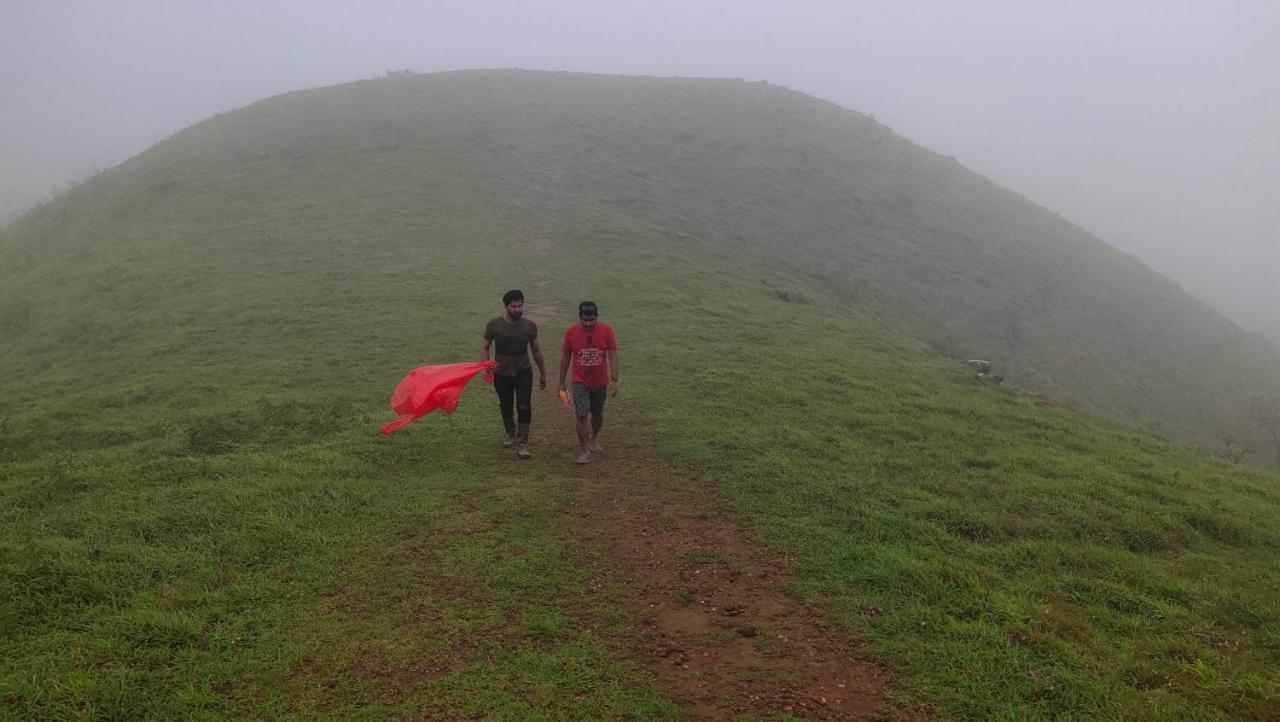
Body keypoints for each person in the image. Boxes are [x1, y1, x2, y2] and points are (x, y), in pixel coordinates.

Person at [481, 289, 546, 458]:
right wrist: (487, 364)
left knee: (524, 405)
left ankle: (523, 442)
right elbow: (485, 347)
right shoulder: (494, 325)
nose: (517, 309)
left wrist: (542, 373)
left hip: (523, 370)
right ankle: (510, 432)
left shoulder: (529, 326)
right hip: (502, 372)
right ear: (506, 306)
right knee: (506, 403)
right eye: (513, 306)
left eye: (520, 306)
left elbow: (537, 350)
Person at [558, 301, 619, 464]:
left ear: (596, 317)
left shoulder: (607, 330)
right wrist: (561, 382)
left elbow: (613, 354)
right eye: (584, 320)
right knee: (582, 414)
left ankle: (594, 438)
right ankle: (584, 449)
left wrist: (614, 379)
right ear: (579, 317)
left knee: (597, 414)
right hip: (580, 381)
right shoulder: (571, 332)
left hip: (600, 381)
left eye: (591, 320)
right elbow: (565, 357)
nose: (588, 323)